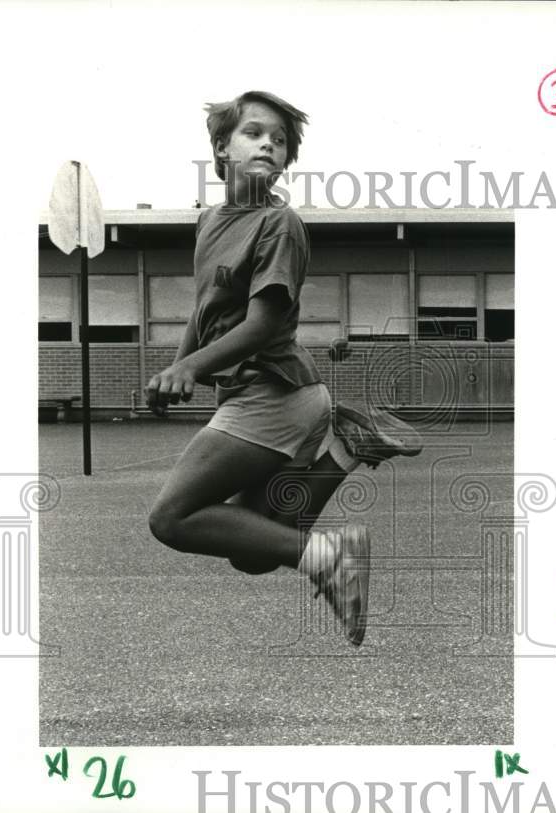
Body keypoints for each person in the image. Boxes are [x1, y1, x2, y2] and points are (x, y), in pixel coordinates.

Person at [145, 90, 421, 646]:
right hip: (263, 397)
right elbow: (207, 310)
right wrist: (174, 370)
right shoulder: (211, 222)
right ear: (221, 147)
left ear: (286, 160)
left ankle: (330, 554)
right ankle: (342, 447)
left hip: (273, 394)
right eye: (253, 132)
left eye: (280, 140)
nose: (268, 143)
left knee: (171, 519)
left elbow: (263, 324)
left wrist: (193, 368)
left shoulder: (280, 224)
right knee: (252, 554)